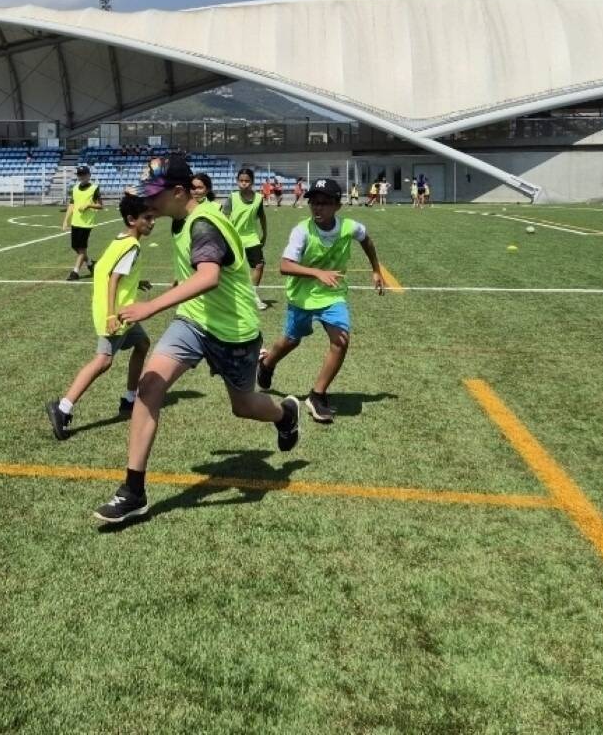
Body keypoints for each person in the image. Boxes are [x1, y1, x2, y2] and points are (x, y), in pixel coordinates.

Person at [94, 154, 299, 524]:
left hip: (234, 332)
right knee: (149, 387)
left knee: (245, 406)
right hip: (192, 321)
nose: (148, 203)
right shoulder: (180, 217)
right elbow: (192, 274)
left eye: (153, 195)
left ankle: (285, 414)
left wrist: (150, 306)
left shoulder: (204, 224)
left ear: (177, 192)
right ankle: (133, 491)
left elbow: (208, 278)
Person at [256, 179, 385, 422]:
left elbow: (366, 238)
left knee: (341, 340)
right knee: (291, 341)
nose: (318, 208)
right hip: (302, 296)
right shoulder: (302, 230)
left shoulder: (349, 226)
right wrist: (317, 273)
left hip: (332, 294)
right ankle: (267, 364)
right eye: (314, 203)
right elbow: (284, 266)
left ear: (337, 205)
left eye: (324, 203)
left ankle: (317, 395)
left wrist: (375, 269)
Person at [46, 194, 157, 439]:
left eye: (153, 217)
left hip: (122, 311)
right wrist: (110, 314)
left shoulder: (120, 240)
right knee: (103, 361)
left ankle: (129, 399)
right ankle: (63, 408)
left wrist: (138, 282)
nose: (152, 222)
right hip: (116, 313)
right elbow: (113, 278)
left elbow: (105, 269)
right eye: (147, 218)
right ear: (131, 219)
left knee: (142, 344)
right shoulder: (132, 246)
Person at [220, 168, 269, 311]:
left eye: (247, 181)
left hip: (251, 237)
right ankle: (230, 297)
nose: (244, 183)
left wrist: (265, 234)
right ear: (237, 182)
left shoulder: (259, 198)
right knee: (233, 269)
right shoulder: (232, 197)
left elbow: (262, 217)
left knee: (259, 266)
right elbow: (224, 218)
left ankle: (253, 295)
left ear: (252, 182)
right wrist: (223, 236)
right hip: (234, 238)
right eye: (241, 181)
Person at [62, 165, 103, 281]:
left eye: (84, 174)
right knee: (76, 247)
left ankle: (75, 272)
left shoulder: (94, 188)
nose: (82, 177)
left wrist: (88, 205)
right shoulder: (75, 188)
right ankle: (90, 263)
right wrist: (65, 220)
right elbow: (71, 205)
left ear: (89, 175)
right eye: (80, 175)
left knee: (81, 248)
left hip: (86, 224)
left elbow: (100, 205)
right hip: (75, 222)